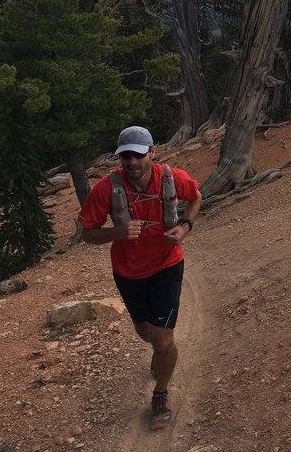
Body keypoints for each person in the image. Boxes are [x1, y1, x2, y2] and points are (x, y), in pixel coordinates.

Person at [77, 126, 202, 430]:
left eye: (138, 154)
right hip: (128, 272)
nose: (132, 161)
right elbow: (87, 234)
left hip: (167, 266)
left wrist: (185, 228)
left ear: (152, 153)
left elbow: (195, 198)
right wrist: (116, 233)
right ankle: (158, 354)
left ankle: (160, 393)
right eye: (126, 156)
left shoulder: (173, 178)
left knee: (162, 339)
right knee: (145, 331)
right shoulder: (106, 189)